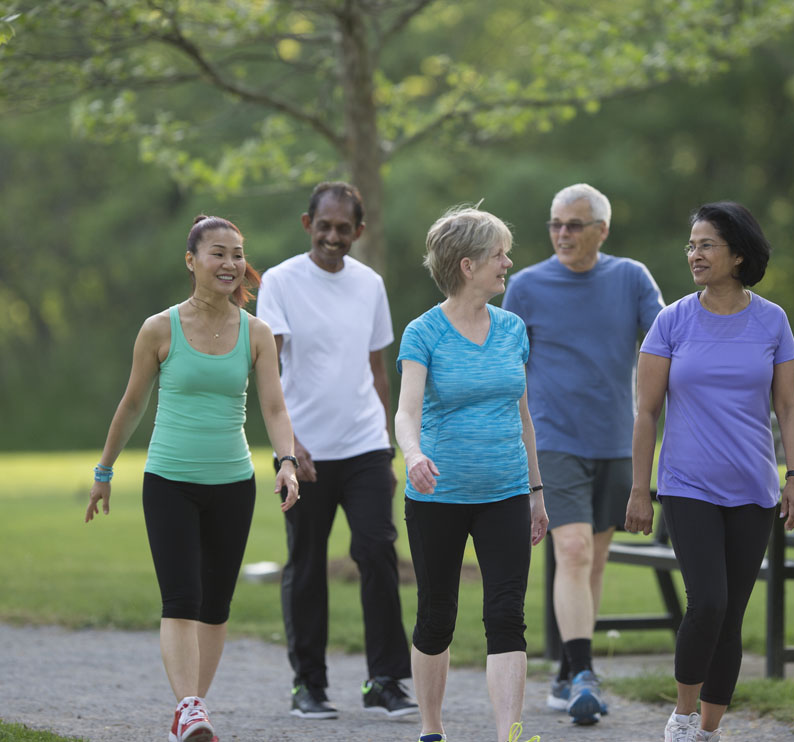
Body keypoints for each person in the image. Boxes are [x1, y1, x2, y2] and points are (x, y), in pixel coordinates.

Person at [85, 215, 300, 742]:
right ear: (192, 260)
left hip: (232, 484)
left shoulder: (256, 332)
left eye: (236, 255)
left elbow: (273, 406)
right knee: (181, 598)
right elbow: (132, 404)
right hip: (170, 481)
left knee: (215, 605)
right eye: (217, 253)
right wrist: (104, 471)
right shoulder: (160, 328)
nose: (229, 264)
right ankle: (189, 708)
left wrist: (287, 461)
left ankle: (191, 708)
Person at [625, 201, 794, 742]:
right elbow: (646, 411)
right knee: (708, 601)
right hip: (688, 485)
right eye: (691, 244)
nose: (694, 254)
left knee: (731, 615)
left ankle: (708, 729)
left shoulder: (772, 320)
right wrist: (641, 488)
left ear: (739, 255)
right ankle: (681, 718)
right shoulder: (672, 320)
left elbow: (790, 407)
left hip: (753, 489)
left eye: (706, 244)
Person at [502, 182, 664, 725]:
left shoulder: (630, 278)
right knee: (571, 551)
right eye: (555, 224)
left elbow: (665, 341)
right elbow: (509, 368)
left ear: (602, 230)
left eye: (574, 224)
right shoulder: (525, 286)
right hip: (553, 439)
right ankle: (585, 675)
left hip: (616, 442)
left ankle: (568, 670)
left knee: (591, 560)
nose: (562, 234)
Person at [255, 181, 415, 720]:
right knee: (305, 563)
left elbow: (378, 372)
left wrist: (390, 448)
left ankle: (386, 679)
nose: (332, 236)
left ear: (358, 233)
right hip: (304, 453)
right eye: (323, 225)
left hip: (365, 444)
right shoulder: (280, 281)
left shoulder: (370, 284)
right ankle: (309, 684)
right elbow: (268, 371)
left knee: (377, 553)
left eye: (343, 228)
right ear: (308, 225)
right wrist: (289, 446)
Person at [394, 206, 549, 742]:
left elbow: (523, 415)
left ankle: (509, 733)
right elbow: (406, 411)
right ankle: (432, 729)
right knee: (437, 614)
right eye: (498, 254)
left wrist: (536, 491)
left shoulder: (512, 329)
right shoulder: (423, 332)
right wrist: (413, 455)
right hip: (438, 496)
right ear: (467, 264)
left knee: (507, 614)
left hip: (505, 491)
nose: (508, 262)